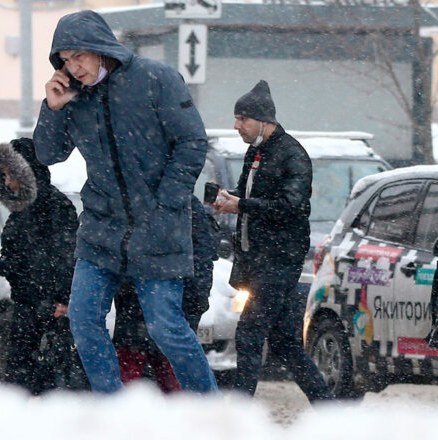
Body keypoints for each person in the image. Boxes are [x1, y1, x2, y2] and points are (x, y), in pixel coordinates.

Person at [33, 10, 217, 394]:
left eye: (78, 56)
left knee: (165, 326)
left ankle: (209, 406)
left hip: (158, 226)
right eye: (64, 60)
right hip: (101, 227)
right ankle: (115, 410)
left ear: (101, 48)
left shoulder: (155, 78)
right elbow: (48, 154)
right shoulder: (75, 97)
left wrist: (166, 203)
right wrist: (52, 109)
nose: (73, 67)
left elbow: (192, 142)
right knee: (82, 320)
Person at [211, 80, 335, 403]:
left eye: (242, 119)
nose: (237, 126)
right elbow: (249, 195)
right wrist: (230, 200)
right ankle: (327, 405)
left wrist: (243, 205)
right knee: (283, 342)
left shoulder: (293, 155)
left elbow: (291, 208)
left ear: (264, 121)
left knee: (249, 334)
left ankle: (237, 413)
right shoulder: (255, 152)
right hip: (257, 260)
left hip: (279, 261)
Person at [0, 138, 81, 394]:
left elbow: (65, 257)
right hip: (28, 306)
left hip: (48, 310)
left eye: (10, 175)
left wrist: (61, 300)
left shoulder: (53, 205)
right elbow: (20, 255)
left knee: (51, 380)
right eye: (4, 176)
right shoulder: (24, 208)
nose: (7, 182)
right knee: (22, 380)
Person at [113, 195, 219, 392]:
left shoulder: (133, 200)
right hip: (158, 307)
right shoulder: (187, 205)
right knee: (171, 374)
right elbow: (202, 260)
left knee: (136, 373)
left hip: (140, 306)